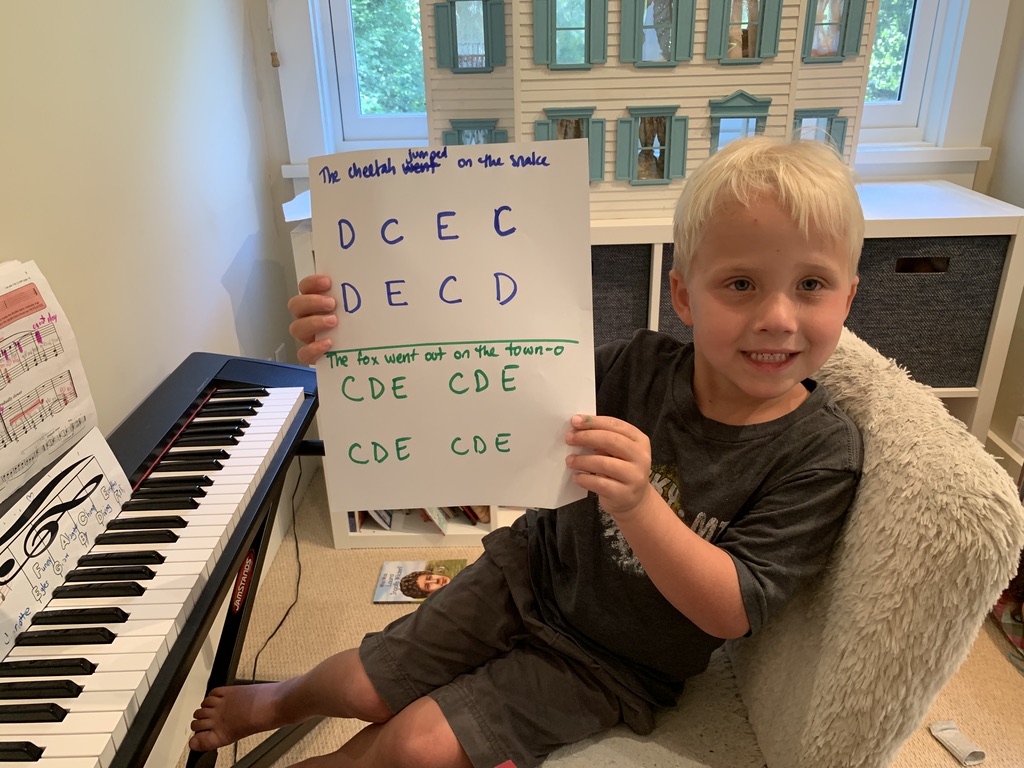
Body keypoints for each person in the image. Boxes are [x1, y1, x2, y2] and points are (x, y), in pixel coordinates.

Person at [188, 134, 864, 768]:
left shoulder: (821, 451)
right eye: (741, 284)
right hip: (529, 569)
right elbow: (494, 387)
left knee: (416, 748)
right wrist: (357, 343)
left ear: (849, 297)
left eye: (810, 285)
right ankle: (279, 697)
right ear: (684, 295)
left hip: (613, 663)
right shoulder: (637, 366)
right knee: (367, 683)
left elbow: (732, 610)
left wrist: (638, 504)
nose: (777, 317)